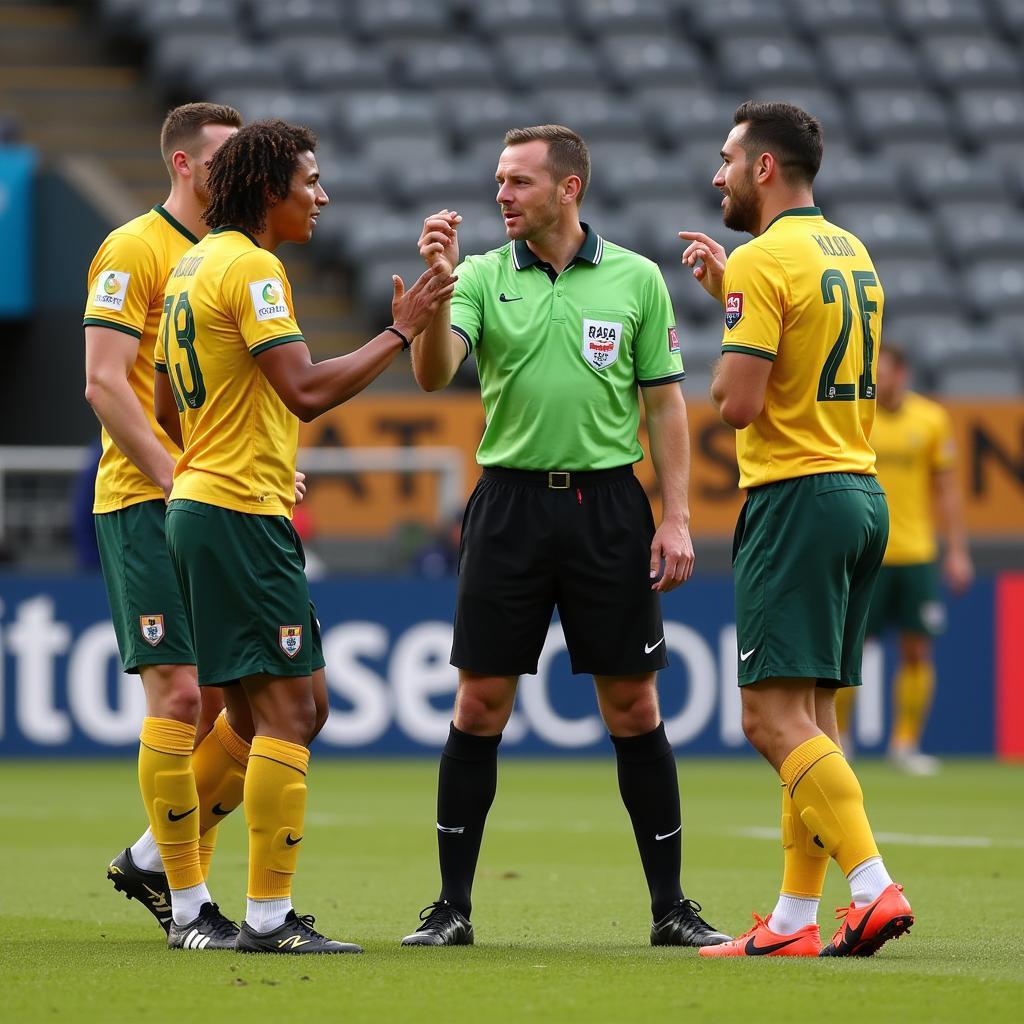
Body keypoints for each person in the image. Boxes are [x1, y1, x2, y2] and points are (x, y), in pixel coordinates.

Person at [400, 124, 729, 950]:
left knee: (632, 704)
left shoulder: (635, 281)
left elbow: (664, 403)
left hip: (608, 507)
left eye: (517, 182)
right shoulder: (475, 274)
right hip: (508, 504)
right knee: (480, 705)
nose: (501, 195)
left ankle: (671, 909)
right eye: (499, 182)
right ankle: (451, 908)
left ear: (567, 188)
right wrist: (437, 295)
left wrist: (678, 515)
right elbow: (435, 373)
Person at [154, 119, 456, 955]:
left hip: (214, 505)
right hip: (237, 516)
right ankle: (268, 919)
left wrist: (229, 452)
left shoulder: (191, 266)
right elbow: (305, 391)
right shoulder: (252, 268)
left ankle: (157, 856)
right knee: (287, 710)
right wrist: (398, 332)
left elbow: (166, 407)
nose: (321, 196)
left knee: (294, 708)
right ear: (268, 192)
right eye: (309, 182)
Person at [679, 101, 913, 958]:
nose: (718, 177)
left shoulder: (763, 259)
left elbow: (738, 403)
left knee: (769, 719)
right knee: (812, 717)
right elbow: (803, 351)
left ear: (764, 168)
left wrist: (729, 316)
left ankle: (872, 886)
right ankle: (789, 923)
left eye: (727, 160)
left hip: (797, 497)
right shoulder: (852, 250)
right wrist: (731, 301)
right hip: (859, 490)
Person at [84, 102, 257, 950]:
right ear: (185, 166)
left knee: (237, 708)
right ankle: (190, 910)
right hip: (144, 499)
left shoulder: (234, 256)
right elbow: (106, 381)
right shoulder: (133, 248)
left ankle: (155, 858)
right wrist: (176, 472)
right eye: (225, 159)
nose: (240, 172)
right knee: (181, 695)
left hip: (218, 502)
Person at [835, 345, 973, 773]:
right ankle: (840, 743)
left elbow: (947, 491)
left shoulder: (930, 419)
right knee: (851, 650)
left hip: (916, 552)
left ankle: (905, 743)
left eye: (886, 371)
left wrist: (957, 552)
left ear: (904, 372)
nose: (880, 378)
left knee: (917, 649)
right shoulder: (857, 417)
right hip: (868, 549)